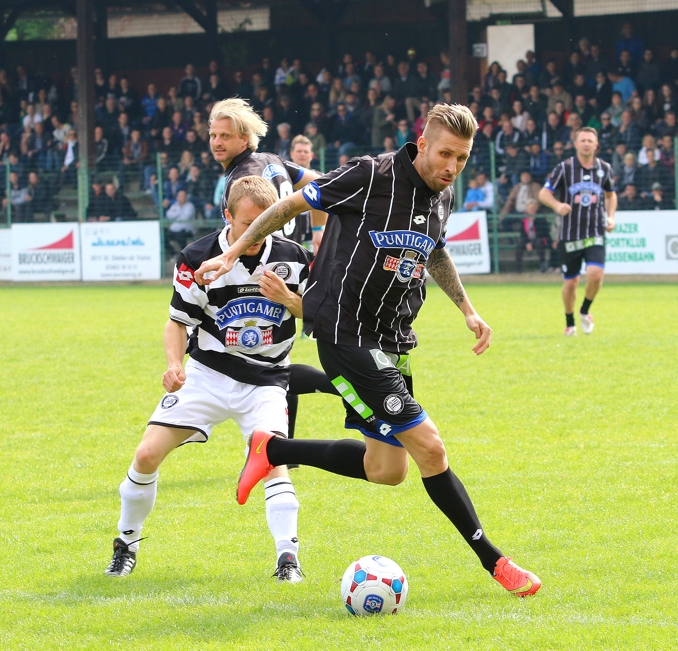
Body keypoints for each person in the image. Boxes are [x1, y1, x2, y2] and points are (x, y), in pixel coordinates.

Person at [194, 103, 542, 598]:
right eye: (445, 154)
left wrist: (467, 307)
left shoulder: (441, 195)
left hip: (393, 341)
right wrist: (232, 251)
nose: (452, 167)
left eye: (462, 159)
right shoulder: (370, 174)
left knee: (387, 470)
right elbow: (290, 204)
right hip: (346, 336)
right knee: (431, 448)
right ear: (421, 143)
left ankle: (272, 448)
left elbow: (435, 249)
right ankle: (498, 563)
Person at [105, 176, 312, 582]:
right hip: (208, 374)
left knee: (273, 463)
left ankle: (288, 559)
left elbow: (318, 316)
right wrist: (173, 363)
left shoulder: (295, 257)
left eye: (266, 223)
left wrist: (288, 299)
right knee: (146, 455)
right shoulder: (198, 257)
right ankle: (125, 545)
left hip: (268, 382)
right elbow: (177, 323)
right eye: (247, 223)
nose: (256, 234)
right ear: (227, 216)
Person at [207, 98, 336, 440]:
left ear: (244, 140)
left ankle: (344, 388)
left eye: (225, 136)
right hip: (288, 268)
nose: (217, 142)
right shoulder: (273, 161)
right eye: (213, 135)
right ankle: (284, 445)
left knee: (263, 362)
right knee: (277, 358)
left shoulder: (243, 180)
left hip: (264, 271)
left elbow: (247, 230)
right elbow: (321, 184)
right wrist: (319, 231)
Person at [538, 127, 617, 336]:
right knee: (571, 282)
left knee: (595, 274)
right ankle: (570, 322)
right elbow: (544, 193)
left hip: (595, 232)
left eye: (590, 140)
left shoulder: (605, 169)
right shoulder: (564, 168)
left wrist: (611, 217)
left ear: (596, 144)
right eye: (582, 140)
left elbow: (610, 196)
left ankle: (585, 310)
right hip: (569, 235)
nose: (586, 144)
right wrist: (556, 206)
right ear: (576, 144)